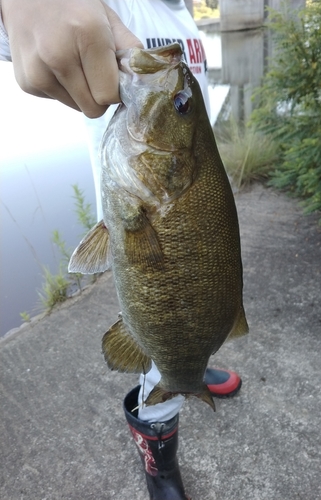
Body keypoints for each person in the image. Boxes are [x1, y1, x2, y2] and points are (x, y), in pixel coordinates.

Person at [0, 1, 243, 498]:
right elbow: (33, 31)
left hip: (196, 219)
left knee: (203, 318)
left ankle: (193, 364)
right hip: (145, 209)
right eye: (178, 103)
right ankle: (161, 460)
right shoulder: (117, 5)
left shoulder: (180, 14)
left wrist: (182, 105)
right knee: (163, 353)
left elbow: (192, 118)